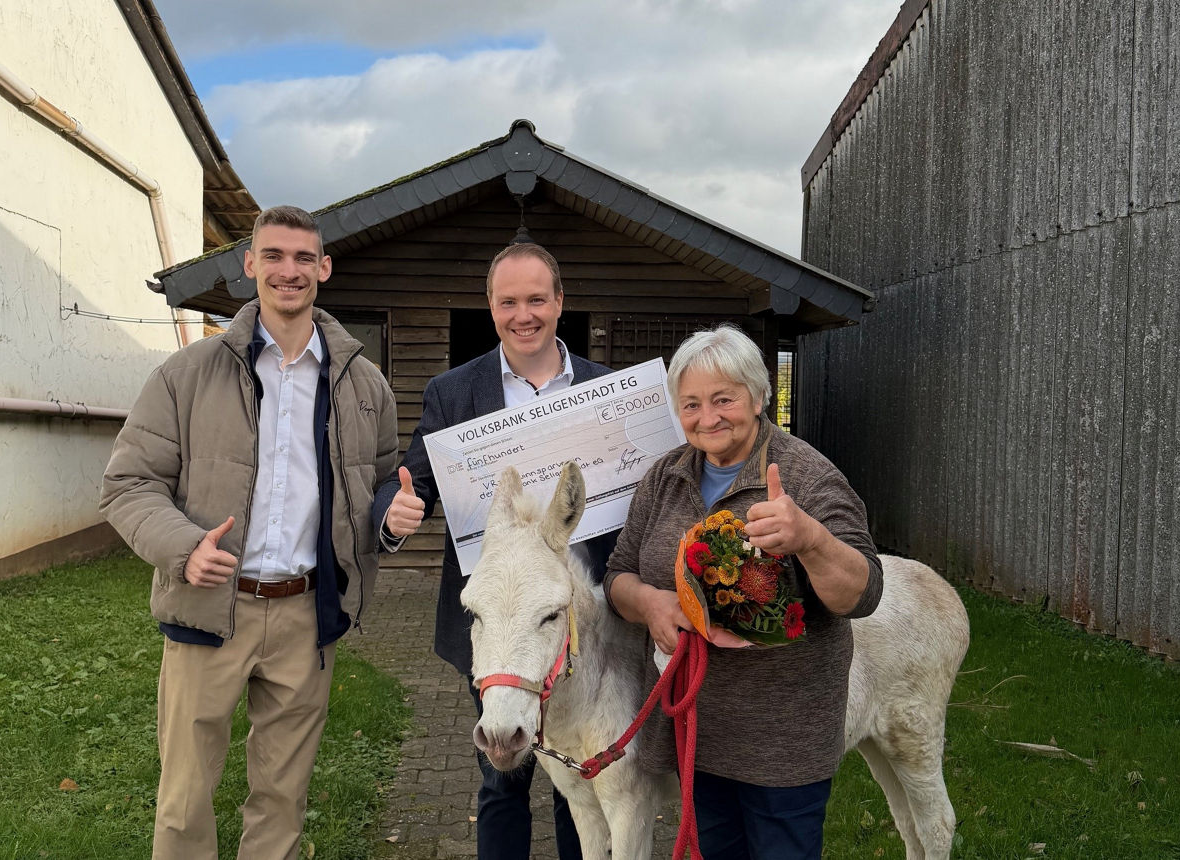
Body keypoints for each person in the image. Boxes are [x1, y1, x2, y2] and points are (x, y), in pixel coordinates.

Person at [100, 205, 398, 860]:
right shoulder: (186, 375)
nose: (288, 271)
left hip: (304, 615)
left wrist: (390, 519)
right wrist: (184, 547)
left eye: (302, 258)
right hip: (211, 611)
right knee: (183, 801)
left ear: (323, 268)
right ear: (250, 266)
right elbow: (128, 484)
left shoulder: (364, 385)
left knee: (282, 800)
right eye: (274, 256)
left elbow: (376, 487)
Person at [372, 242, 616, 860]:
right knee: (501, 777)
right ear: (490, 306)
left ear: (560, 303)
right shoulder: (453, 392)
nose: (523, 314)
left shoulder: (603, 389)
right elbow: (415, 484)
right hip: (499, 628)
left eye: (537, 299)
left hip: (575, 623)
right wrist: (396, 516)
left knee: (578, 783)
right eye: (509, 301)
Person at [605, 324, 883, 859]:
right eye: (690, 404)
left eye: (723, 399)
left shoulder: (806, 477)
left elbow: (863, 593)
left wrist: (810, 538)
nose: (707, 418)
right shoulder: (664, 477)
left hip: (783, 742)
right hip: (699, 734)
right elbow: (618, 575)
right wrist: (651, 603)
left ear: (759, 397)